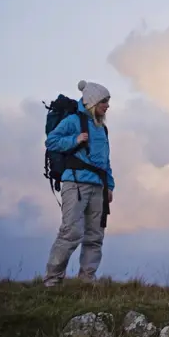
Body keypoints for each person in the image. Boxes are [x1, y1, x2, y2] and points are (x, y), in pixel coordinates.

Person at [43, 80, 115, 287]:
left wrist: (109, 186)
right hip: (75, 183)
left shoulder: (102, 128)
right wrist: (74, 140)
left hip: (98, 187)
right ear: (93, 102)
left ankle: (86, 280)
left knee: (94, 236)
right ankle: (52, 280)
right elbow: (52, 141)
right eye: (104, 101)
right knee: (71, 232)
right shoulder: (73, 121)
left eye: (108, 101)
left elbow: (105, 160)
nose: (107, 106)